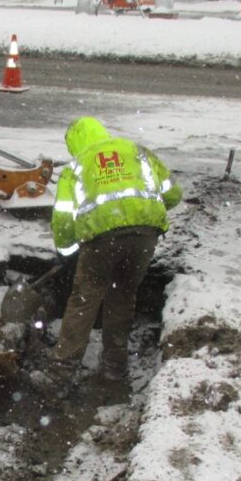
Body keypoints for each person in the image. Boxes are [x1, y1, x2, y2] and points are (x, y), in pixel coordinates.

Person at [45, 116, 181, 391]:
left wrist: (66, 251)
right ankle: (115, 372)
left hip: (101, 239)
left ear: (75, 144)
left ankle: (60, 376)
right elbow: (173, 195)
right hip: (144, 236)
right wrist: (140, 209)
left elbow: (62, 218)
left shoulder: (77, 166)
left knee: (84, 301)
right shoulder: (137, 151)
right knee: (122, 297)